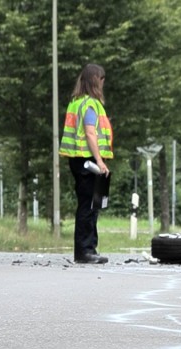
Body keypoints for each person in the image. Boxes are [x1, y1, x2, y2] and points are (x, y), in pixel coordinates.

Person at [60, 63, 113, 264]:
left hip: (77, 159)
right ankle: (85, 251)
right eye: (102, 80)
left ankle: (87, 249)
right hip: (88, 161)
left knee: (87, 204)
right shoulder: (90, 104)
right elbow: (90, 132)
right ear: (97, 81)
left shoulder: (76, 103)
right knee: (89, 206)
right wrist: (99, 160)